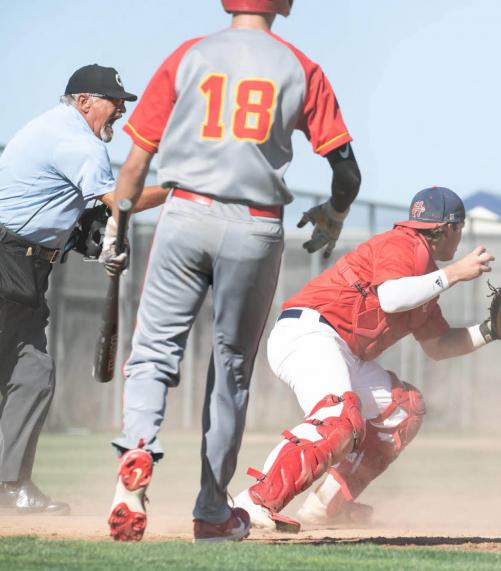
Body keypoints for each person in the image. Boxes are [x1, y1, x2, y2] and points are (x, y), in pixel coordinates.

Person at [106, 0, 361, 543]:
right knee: (231, 372)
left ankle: (136, 456)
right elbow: (347, 172)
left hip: (185, 213)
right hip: (255, 225)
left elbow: (134, 166)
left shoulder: (189, 55)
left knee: (154, 351)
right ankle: (211, 509)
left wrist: (117, 227)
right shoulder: (302, 67)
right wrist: (335, 216)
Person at [232, 186, 501, 532]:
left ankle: (324, 506)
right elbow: (391, 297)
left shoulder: (423, 275)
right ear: (450, 227)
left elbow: (438, 345)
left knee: (403, 409)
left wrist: (492, 330)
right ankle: (255, 500)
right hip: (309, 333)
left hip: (342, 350)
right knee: (338, 417)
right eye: (460, 228)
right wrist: (453, 274)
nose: (460, 237)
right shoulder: (404, 244)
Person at [0, 64, 166, 516]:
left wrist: (85, 237)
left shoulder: (58, 131)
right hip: (8, 260)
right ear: (84, 101)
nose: (121, 111)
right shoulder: (77, 139)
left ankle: (11, 486)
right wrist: (179, 191)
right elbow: (121, 200)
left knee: (31, 374)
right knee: (28, 372)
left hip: (25, 266)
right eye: (115, 102)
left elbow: (59, 210)